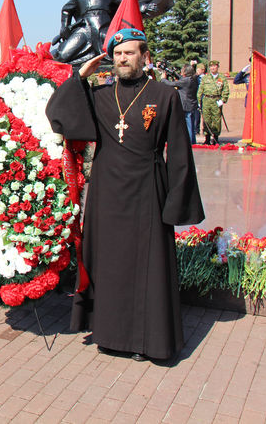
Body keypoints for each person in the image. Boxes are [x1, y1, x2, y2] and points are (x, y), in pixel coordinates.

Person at [46, 28, 204, 361]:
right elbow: (60, 117)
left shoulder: (164, 95)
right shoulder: (101, 95)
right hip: (106, 193)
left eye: (130, 53)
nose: (123, 58)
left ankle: (146, 341)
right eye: (118, 53)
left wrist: (177, 200)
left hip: (147, 189)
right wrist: (79, 76)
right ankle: (109, 333)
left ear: (144, 57)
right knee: (109, 264)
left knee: (145, 266)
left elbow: (178, 152)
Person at [161, 66, 199, 144]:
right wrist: (174, 73)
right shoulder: (193, 79)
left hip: (186, 105)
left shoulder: (186, 81)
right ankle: (192, 141)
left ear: (185, 72)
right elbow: (182, 78)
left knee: (188, 125)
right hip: (192, 104)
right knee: (191, 125)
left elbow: (171, 84)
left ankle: (190, 142)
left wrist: (163, 79)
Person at [196, 60, 229, 145]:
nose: (213, 68)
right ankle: (207, 138)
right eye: (211, 66)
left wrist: (223, 100)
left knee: (216, 120)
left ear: (217, 67)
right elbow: (200, 90)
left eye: (214, 66)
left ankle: (215, 138)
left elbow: (226, 90)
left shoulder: (222, 78)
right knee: (206, 119)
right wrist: (199, 101)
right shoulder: (205, 78)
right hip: (206, 99)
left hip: (216, 100)